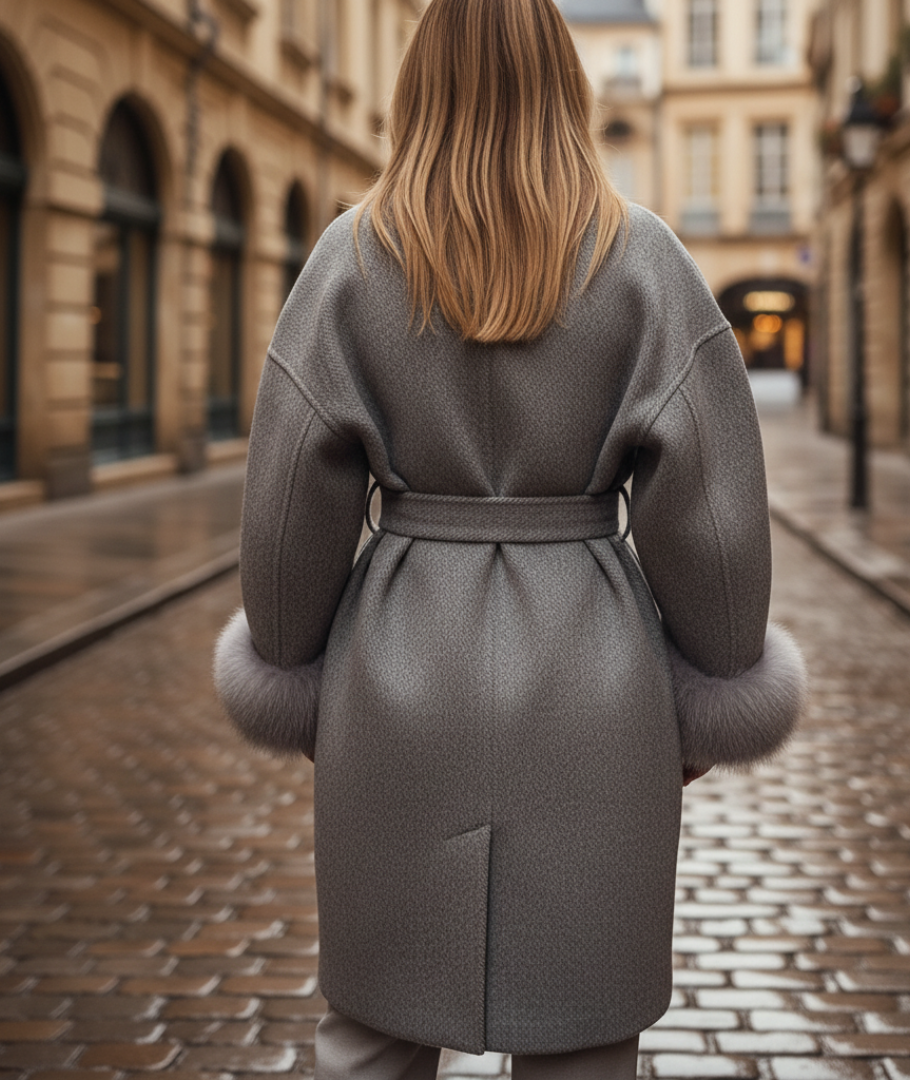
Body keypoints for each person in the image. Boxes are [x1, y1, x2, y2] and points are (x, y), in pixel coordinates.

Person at [213, 0, 807, 1077]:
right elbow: (717, 536)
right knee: (583, 1041)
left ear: (414, 91)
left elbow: (289, 511)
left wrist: (298, 659)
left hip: (395, 680)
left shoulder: (350, 261)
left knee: (371, 1039)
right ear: (567, 89)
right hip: (596, 686)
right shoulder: (645, 264)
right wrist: (714, 677)